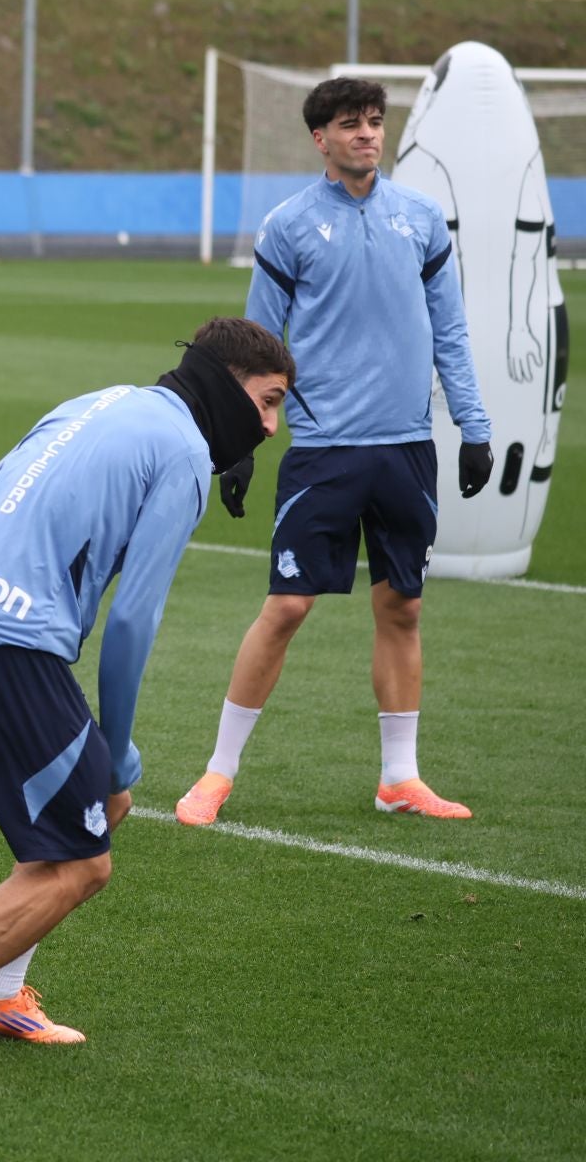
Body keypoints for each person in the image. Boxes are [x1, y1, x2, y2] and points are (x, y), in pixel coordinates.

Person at [0, 319, 294, 1056]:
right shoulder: (184, 452)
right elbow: (132, 623)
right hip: (8, 647)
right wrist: (115, 745)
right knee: (86, 864)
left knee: (99, 810)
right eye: (268, 401)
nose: (272, 427)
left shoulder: (99, 400)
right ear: (226, 386)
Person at [176, 78, 495, 829]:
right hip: (323, 451)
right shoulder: (287, 227)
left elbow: (449, 329)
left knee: (403, 607)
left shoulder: (420, 219)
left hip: (406, 449)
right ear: (320, 138)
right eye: (350, 124)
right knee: (287, 605)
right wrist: (240, 444)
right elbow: (256, 348)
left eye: (376, 123)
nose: (367, 135)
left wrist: (474, 428)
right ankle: (218, 773)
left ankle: (400, 778)